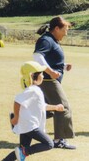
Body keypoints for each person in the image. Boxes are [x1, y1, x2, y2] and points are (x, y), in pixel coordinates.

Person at [2, 61, 65, 161]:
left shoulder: (35, 90)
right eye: (41, 74)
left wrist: (56, 107)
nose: (43, 76)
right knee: (49, 144)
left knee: (21, 151)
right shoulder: (33, 90)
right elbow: (17, 101)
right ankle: (24, 152)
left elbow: (41, 106)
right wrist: (16, 117)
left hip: (27, 125)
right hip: (30, 126)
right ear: (32, 76)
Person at [32, 16, 75, 149]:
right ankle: (59, 140)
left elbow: (50, 59)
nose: (66, 33)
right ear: (56, 28)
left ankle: (20, 118)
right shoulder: (46, 40)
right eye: (65, 30)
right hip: (48, 80)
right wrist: (50, 72)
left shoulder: (52, 40)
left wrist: (63, 66)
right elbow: (37, 56)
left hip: (48, 79)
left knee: (46, 109)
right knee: (63, 107)